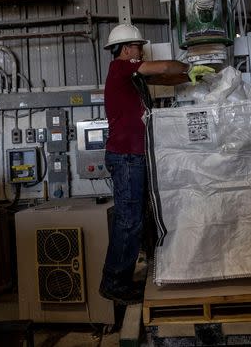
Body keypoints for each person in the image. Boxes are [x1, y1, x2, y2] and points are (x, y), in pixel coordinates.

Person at [98, 23, 213, 305]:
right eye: (138, 47)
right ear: (126, 50)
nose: (141, 51)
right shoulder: (120, 68)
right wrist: (190, 63)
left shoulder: (134, 78)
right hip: (126, 158)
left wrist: (190, 77)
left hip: (134, 157)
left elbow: (168, 79)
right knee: (128, 221)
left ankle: (122, 279)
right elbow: (162, 68)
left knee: (136, 219)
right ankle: (114, 283)